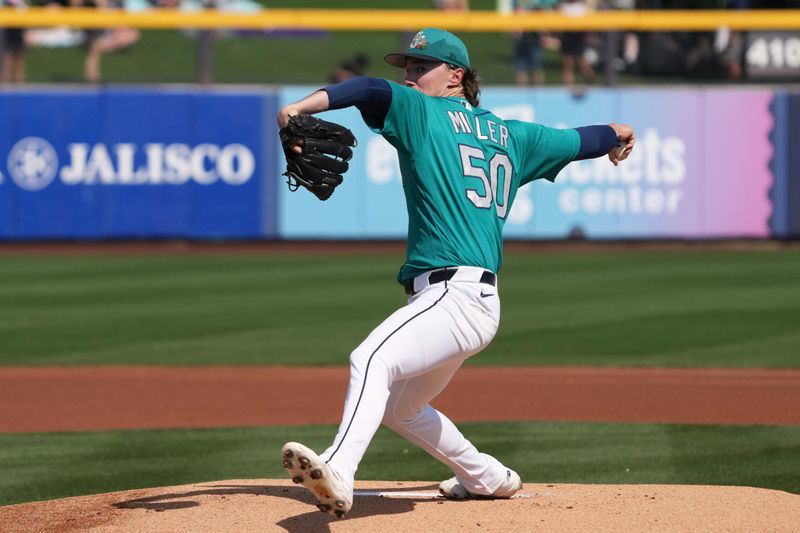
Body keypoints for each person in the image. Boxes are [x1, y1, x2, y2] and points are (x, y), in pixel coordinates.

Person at [278, 28, 635, 518]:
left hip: (454, 297)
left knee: (370, 360)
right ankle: (488, 477)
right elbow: (579, 141)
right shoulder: (514, 135)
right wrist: (616, 135)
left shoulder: (420, 111)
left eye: (420, 67)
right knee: (401, 408)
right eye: (405, 66)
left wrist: (298, 108)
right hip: (472, 302)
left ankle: (339, 468)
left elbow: (366, 88)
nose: (408, 74)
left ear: (456, 76)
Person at [512, 0, 558, 86]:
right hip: (522, 39)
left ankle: (540, 94)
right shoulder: (519, 4)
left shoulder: (536, 3)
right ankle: (520, 93)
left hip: (534, 39)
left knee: (536, 68)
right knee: (521, 69)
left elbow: (541, 14)